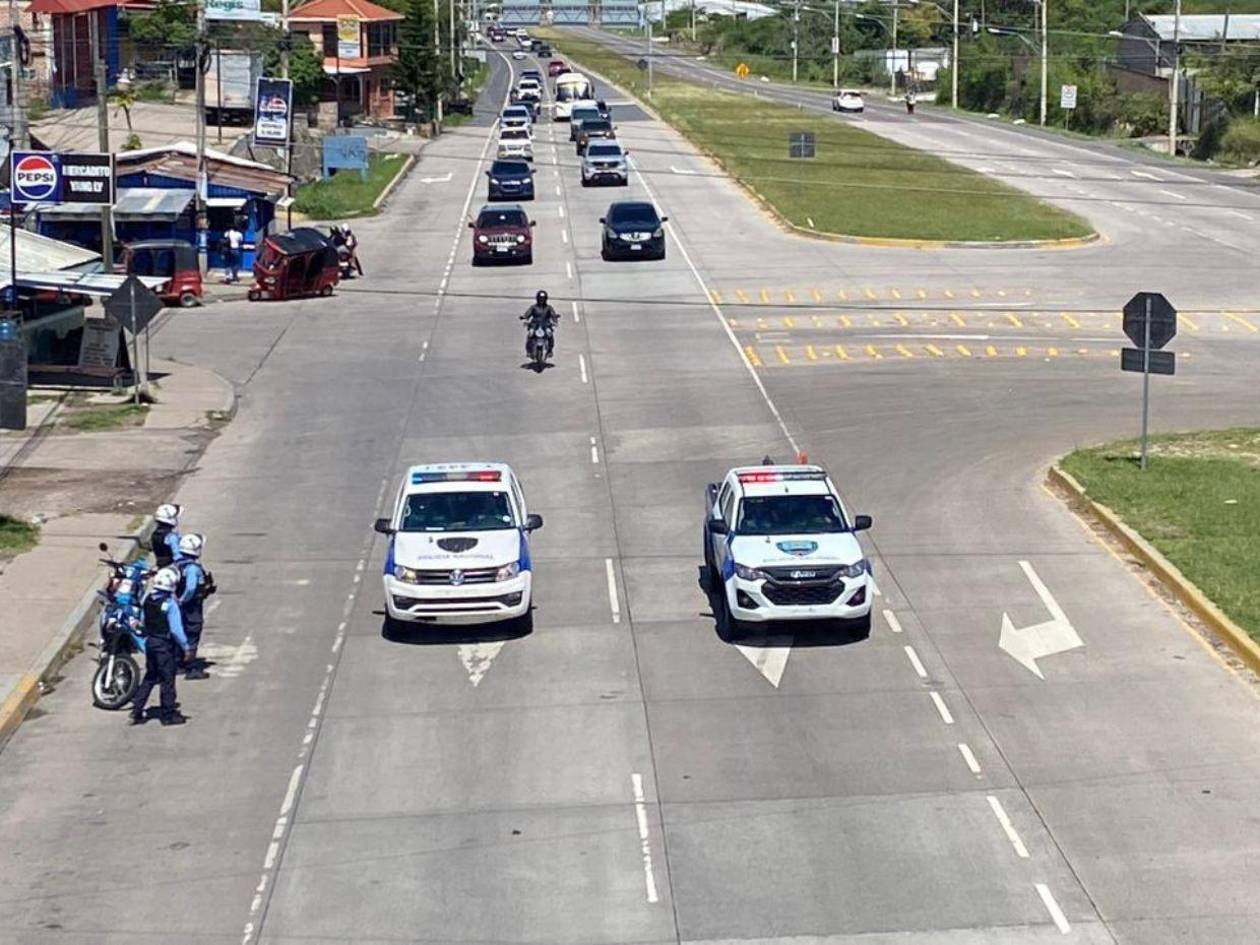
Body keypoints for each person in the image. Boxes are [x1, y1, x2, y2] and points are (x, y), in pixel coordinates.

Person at [130, 567, 189, 726]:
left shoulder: (148, 599)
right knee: (167, 679)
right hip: (164, 645)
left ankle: (136, 710)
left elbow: (142, 619)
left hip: (151, 643)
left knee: (150, 676)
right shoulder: (170, 604)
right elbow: (176, 630)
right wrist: (186, 647)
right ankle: (168, 715)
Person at [176, 533, 209, 680]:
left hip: (181, 607)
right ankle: (191, 668)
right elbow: (190, 588)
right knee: (192, 634)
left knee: (180, 632)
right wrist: (183, 600)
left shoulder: (178, 564)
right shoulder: (193, 569)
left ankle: (178, 664)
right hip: (191, 607)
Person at [521, 290, 558, 358]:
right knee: (530, 333)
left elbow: (553, 315)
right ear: (537, 299)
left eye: (543, 299)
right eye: (540, 298)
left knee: (549, 333)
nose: (542, 300)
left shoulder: (548, 307)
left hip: (546, 325)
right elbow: (528, 313)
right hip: (535, 325)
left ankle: (550, 350)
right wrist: (524, 317)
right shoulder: (533, 307)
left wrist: (555, 321)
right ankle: (529, 351)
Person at [151, 503, 183, 568]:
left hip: (160, 564)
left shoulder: (155, 533)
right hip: (172, 566)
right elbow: (177, 555)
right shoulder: (171, 536)